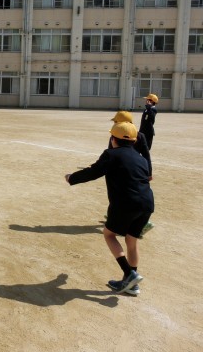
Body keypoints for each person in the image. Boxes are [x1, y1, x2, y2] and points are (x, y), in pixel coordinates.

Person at [65, 121, 154, 296]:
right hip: (147, 204)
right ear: (134, 141)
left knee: (109, 234)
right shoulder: (141, 158)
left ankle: (130, 274)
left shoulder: (111, 154)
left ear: (113, 139)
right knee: (131, 240)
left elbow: (93, 172)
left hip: (125, 203)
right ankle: (132, 284)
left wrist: (71, 178)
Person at [109, 111, 155, 238]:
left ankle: (125, 221)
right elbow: (146, 155)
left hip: (122, 172)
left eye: (116, 121)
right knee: (136, 196)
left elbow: (110, 152)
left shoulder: (116, 135)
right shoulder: (140, 135)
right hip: (137, 171)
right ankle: (140, 222)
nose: (114, 123)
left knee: (119, 195)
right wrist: (148, 172)